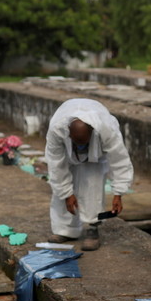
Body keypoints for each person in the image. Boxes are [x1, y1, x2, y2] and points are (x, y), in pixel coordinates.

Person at [44, 98, 134, 251]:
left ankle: (92, 229)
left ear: (92, 133)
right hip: (67, 153)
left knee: (93, 184)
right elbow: (55, 165)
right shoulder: (57, 129)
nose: (80, 146)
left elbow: (120, 161)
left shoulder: (106, 129)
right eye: (77, 141)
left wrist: (118, 193)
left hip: (96, 156)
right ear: (69, 134)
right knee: (61, 191)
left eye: (84, 142)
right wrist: (67, 194)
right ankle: (65, 230)